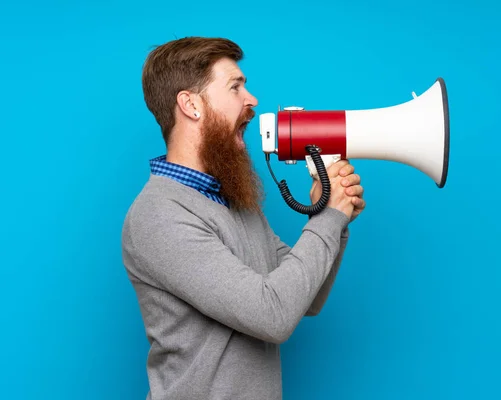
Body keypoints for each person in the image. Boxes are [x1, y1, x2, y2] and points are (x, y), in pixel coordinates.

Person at [121, 36, 366, 400]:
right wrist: (328, 217)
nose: (251, 100)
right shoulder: (160, 215)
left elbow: (305, 299)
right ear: (191, 105)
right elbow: (274, 316)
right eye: (235, 86)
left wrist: (335, 217)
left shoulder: (232, 202)